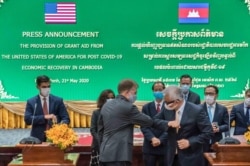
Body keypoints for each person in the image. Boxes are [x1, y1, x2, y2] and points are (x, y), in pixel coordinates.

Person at [98, 79, 168, 166]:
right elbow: (149, 121)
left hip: (104, 154)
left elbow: (100, 130)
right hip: (120, 155)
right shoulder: (129, 107)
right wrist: (168, 124)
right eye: (135, 92)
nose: (136, 95)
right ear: (128, 92)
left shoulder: (106, 105)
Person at [154, 85, 213, 166]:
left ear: (178, 100)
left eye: (168, 102)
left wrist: (190, 142)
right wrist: (168, 123)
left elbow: (208, 132)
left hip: (191, 158)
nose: (166, 104)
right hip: (171, 157)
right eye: (165, 102)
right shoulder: (166, 108)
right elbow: (154, 121)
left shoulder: (196, 111)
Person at [24, 75, 70, 142]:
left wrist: (61, 126)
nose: (47, 89)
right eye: (44, 87)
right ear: (38, 87)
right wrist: (44, 117)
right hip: (37, 138)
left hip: (56, 137)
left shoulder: (58, 100)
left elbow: (66, 118)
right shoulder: (32, 102)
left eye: (48, 86)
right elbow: (27, 120)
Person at [140, 81, 168, 166]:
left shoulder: (170, 107)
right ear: (153, 91)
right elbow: (144, 126)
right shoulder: (146, 107)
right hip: (150, 146)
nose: (158, 92)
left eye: (160, 89)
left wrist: (160, 139)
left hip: (165, 146)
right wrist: (153, 138)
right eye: (156, 90)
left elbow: (170, 126)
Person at [90, 89, 115, 166]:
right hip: (98, 146)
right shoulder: (96, 113)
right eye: (108, 98)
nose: (110, 100)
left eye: (112, 98)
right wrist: (101, 142)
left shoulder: (117, 113)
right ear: (103, 99)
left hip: (113, 146)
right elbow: (93, 130)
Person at [201, 85, 229, 153]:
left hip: (216, 142)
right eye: (206, 93)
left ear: (216, 95)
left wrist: (218, 128)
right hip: (202, 143)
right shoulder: (198, 108)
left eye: (211, 94)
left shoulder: (223, 109)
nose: (208, 96)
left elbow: (227, 126)